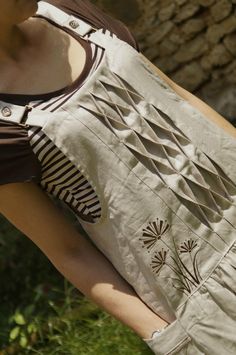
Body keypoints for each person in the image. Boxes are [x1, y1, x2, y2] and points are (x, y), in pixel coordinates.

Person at [0, 1, 236, 354]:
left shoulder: (69, 15)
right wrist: (167, 338)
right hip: (206, 297)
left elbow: (179, 98)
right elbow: (67, 250)